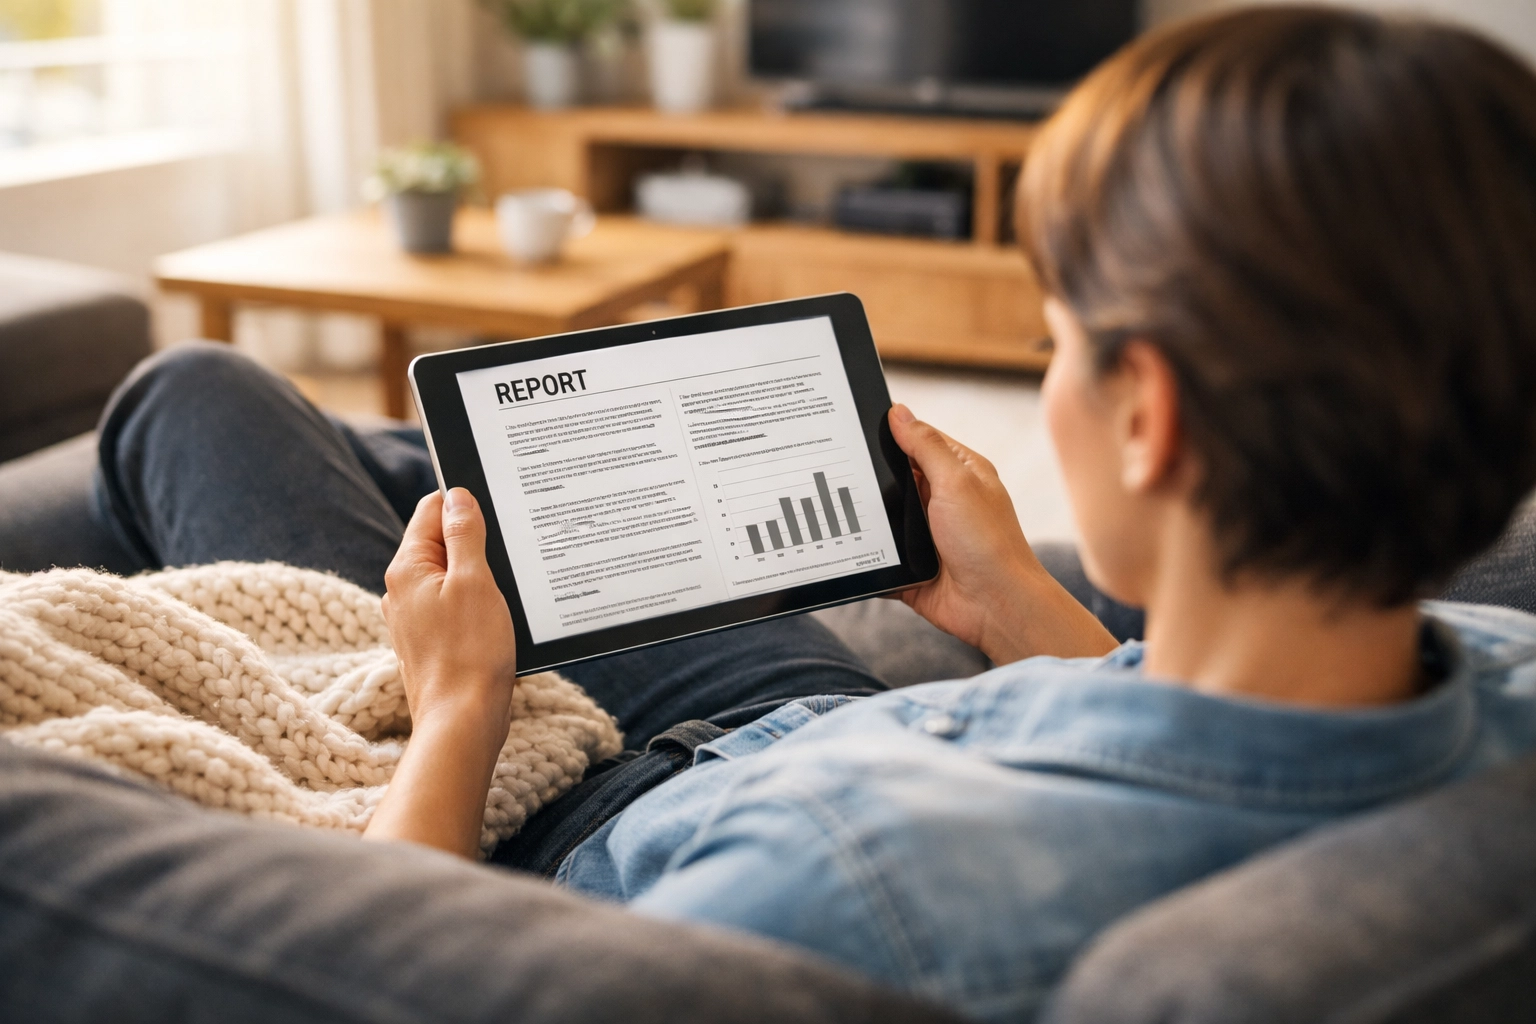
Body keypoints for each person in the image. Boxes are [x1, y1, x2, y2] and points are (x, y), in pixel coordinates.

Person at [60, 6, 1536, 1022]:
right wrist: (1010, 603)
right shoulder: (1500, 680)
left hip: (597, 815)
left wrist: (458, 703)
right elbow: (1208, 744)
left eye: (1060, 340)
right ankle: (409, 470)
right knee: (460, 473)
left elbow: (385, 969)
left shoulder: (835, 893)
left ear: (1146, 416)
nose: (1052, 375)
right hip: (817, 719)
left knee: (193, 392)